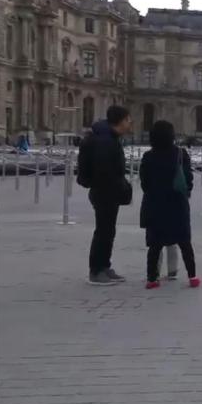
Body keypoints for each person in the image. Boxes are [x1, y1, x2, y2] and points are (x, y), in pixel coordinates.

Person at [77, 106, 133, 286]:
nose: (130, 123)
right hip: (104, 192)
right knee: (103, 231)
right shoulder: (106, 141)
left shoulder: (109, 138)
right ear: (120, 121)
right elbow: (105, 171)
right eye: (128, 119)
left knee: (108, 231)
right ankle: (96, 270)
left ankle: (104, 266)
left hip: (107, 191)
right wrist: (121, 187)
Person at [139, 121, 200, 289]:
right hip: (177, 204)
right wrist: (186, 191)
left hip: (155, 205)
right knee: (184, 243)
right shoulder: (181, 154)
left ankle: (152, 279)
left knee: (155, 245)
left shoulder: (148, 157)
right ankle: (192, 276)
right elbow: (188, 178)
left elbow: (144, 183)